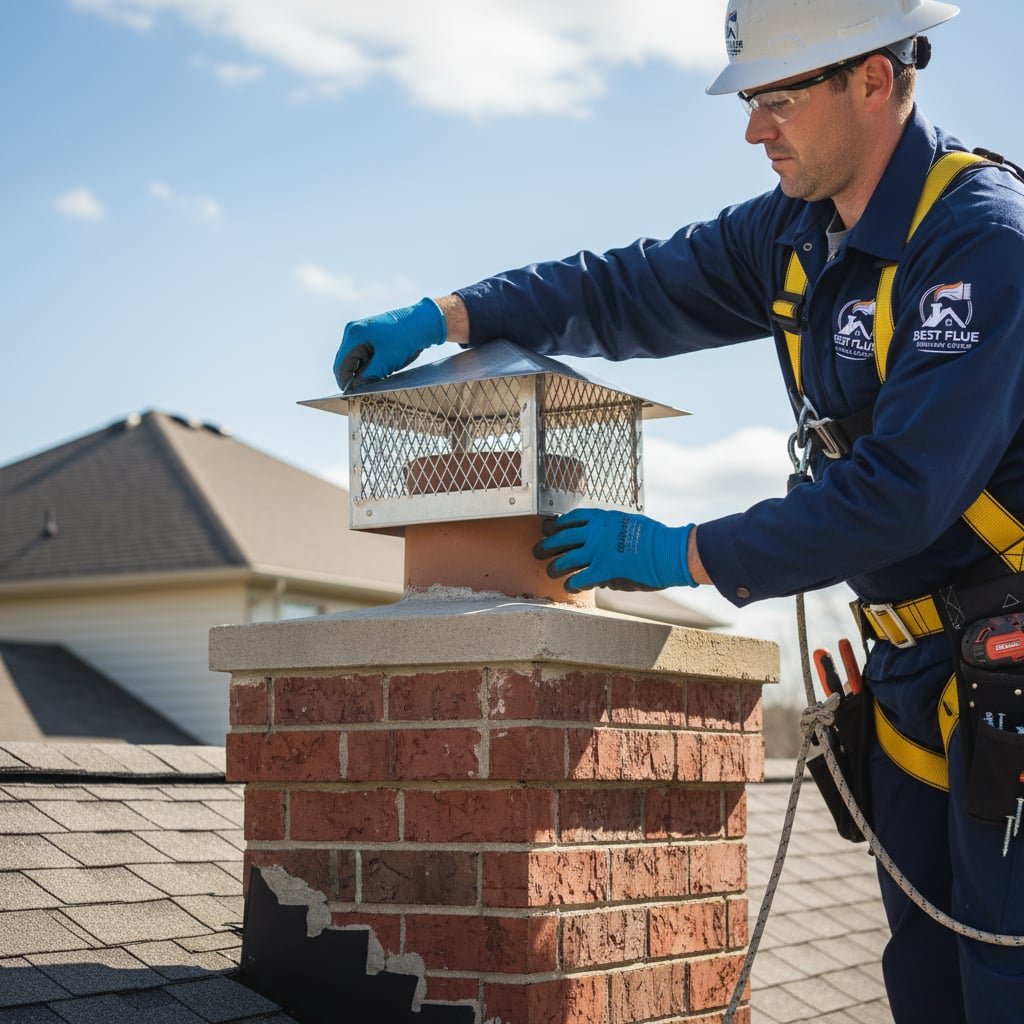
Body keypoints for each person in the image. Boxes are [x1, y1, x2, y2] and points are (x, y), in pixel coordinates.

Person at [332, 1, 1024, 1020]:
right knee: (926, 978)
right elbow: (627, 288)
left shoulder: (980, 243)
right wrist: (451, 314)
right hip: (911, 672)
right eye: (750, 101)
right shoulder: (794, 232)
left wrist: (685, 552)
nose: (753, 131)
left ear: (873, 80)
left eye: (776, 99)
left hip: (1005, 663)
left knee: (1004, 979)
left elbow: (898, 495)